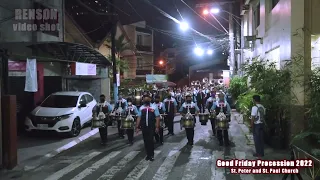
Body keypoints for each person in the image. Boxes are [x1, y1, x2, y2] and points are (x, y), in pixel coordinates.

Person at [136, 94, 161, 161]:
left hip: (151, 126)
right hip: (144, 127)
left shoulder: (154, 107)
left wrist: (157, 127)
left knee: (150, 140)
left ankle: (151, 155)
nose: (146, 100)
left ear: (150, 99)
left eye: (148, 99)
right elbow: (139, 117)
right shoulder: (141, 108)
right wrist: (137, 127)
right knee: (146, 141)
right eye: (145, 99)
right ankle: (148, 154)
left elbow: (157, 117)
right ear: (143, 100)